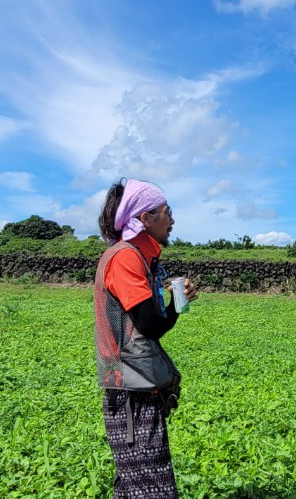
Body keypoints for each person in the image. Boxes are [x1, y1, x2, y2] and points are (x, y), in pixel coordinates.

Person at [94, 178, 198, 499]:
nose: (173, 220)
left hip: (136, 390)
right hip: (132, 395)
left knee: (134, 489)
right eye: (168, 212)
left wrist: (178, 302)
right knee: (153, 491)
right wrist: (175, 303)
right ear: (146, 218)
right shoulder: (126, 258)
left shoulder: (139, 258)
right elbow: (151, 325)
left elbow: (151, 324)